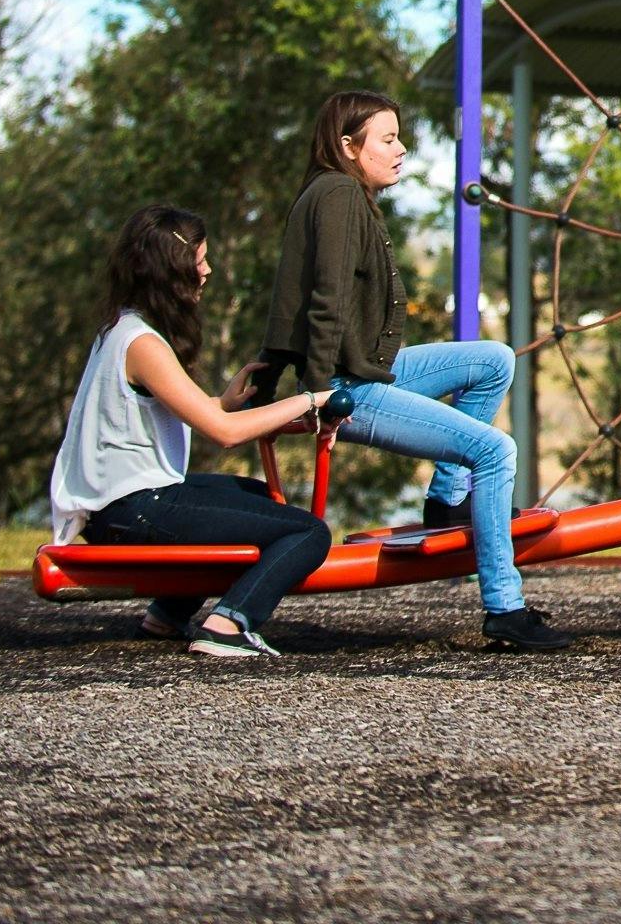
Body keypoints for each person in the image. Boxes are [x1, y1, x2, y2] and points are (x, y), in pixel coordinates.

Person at [258, 90, 570, 653]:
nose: (401, 149)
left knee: (492, 360)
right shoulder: (337, 196)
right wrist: (320, 395)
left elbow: (295, 302)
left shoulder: (337, 192)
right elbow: (323, 299)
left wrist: (276, 367)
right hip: (347, 387)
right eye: (388, 139)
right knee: (496, 452)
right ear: (349, 147)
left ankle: (447, 499)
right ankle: (505, 607)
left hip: (366, 371)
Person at [50, 205, 340, 659]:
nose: (207, 271)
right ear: (170, 272)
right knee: (308, 533)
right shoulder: (142, 343)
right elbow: (223, 434)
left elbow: (196, 412)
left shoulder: (124, 327)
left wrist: (221, 401)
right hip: (133, 510)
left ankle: (167, 614)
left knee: (257, 497)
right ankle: (228, 625)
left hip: (126, 504)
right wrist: (309, 401)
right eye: (198, 262)